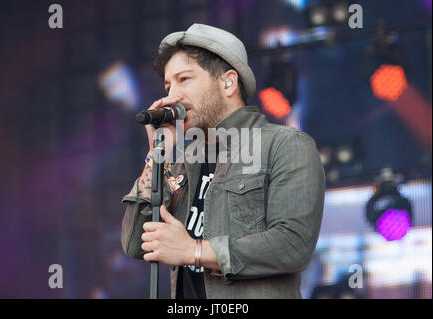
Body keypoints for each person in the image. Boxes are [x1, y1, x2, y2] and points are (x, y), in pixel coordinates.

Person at [121, 23, 325, 299]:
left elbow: (293, 245)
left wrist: (194, 251)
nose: (172, 96)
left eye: (184, 79)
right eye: (168, 85)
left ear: (228, 82)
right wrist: (157, 155)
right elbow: (136, 244)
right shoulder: (182, 161)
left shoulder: (284, 144)